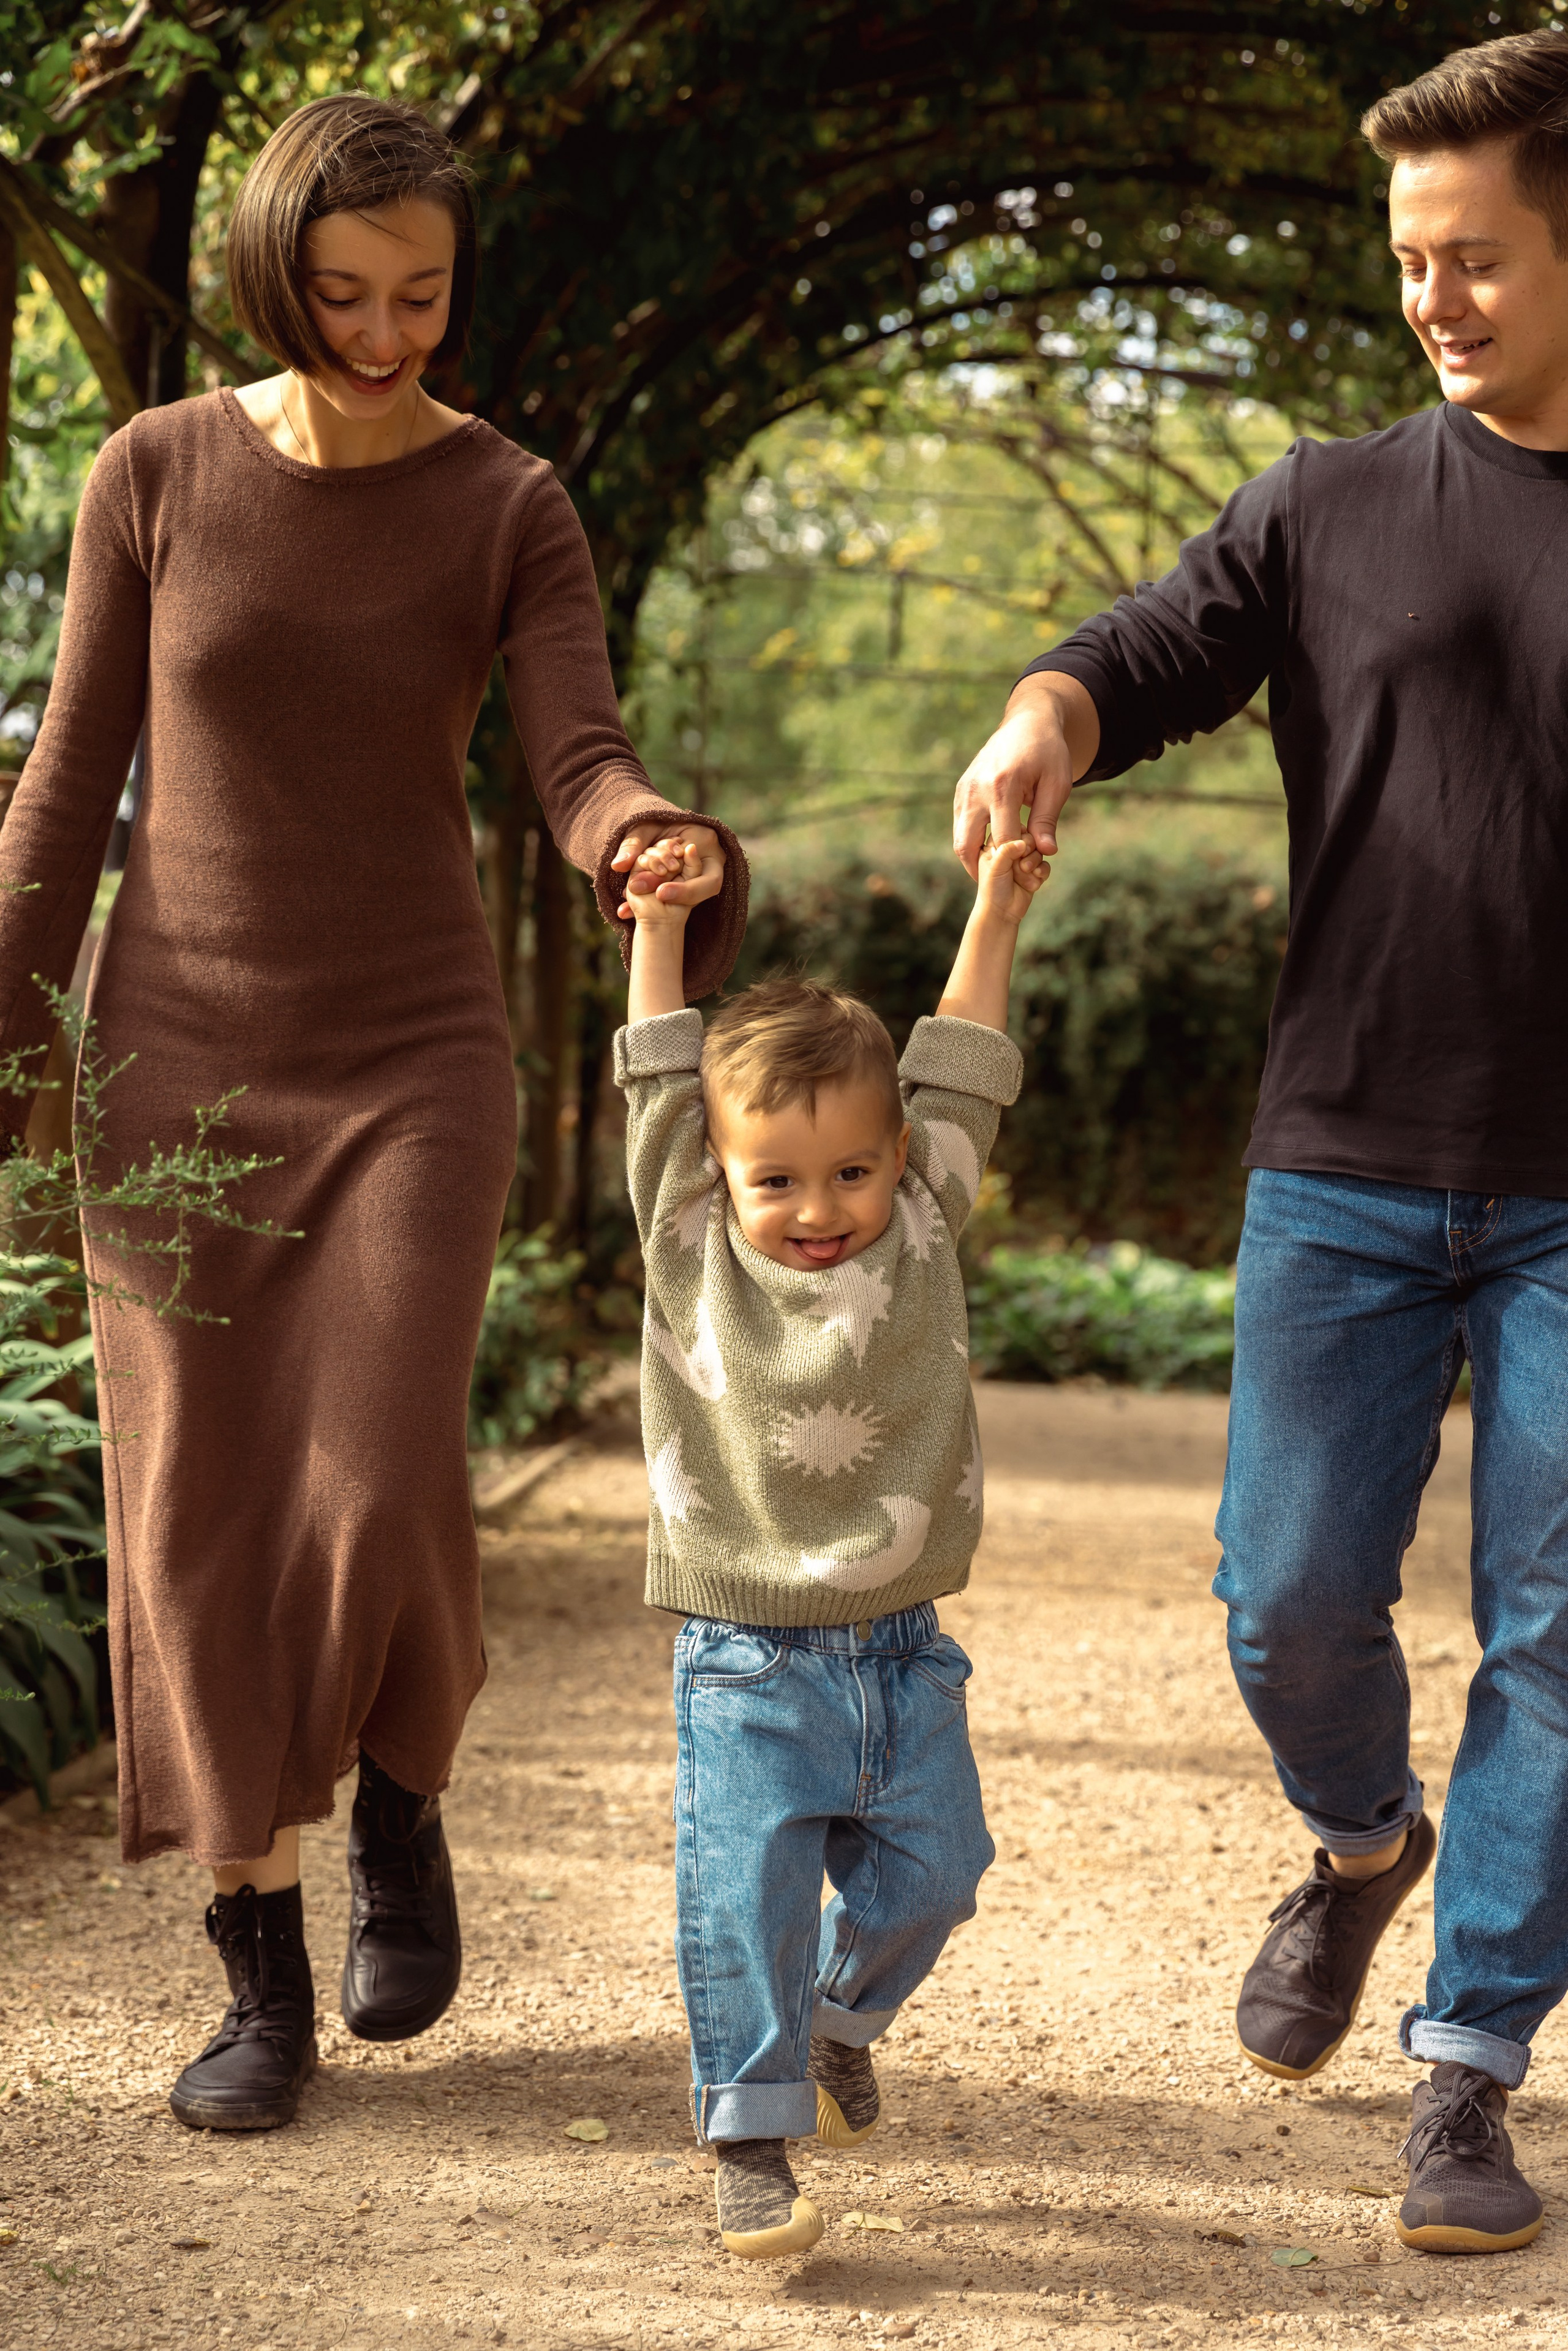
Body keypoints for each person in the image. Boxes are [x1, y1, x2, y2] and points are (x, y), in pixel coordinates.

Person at [0, 92, 743, 2132]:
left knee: (379, 1458)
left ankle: (401, 1786)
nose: (389, 328)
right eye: (346, 291)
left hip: (417, 1046)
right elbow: (69, 785)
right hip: (179, 1059)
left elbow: (576, 751)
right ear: (274, 268)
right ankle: (260, 1970)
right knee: (193, 1511)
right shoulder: (154, 472)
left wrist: (646, 839)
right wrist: (5, 1017)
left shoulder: (508, 498)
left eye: (423, 291)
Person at [948, 26, 1568, 2259]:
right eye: (1412, 261)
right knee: (1287, 1590)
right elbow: (1145, 644)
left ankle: (1469, 2067)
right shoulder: (1323, 500)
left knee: (1561, 1627)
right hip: (1348, 1145)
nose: (1434, 298)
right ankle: (1357, 1841)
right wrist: (1043, 719)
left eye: (1476, 256)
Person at [612, 828, 1044, 2259]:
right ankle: (751, 2134)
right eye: (778, 1181)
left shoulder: (923, 1218)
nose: (817, 1209)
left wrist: (993, 899)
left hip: (904, 1643)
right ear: (717, 1173)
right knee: (743, 1899)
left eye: (848, 1171)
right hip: (743, 1658)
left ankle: (841, 2021)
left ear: (899, 1158)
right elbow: (660, 1069)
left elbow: (967, 1053)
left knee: (942, 1869)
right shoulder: (687, 1231)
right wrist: (660, 926)